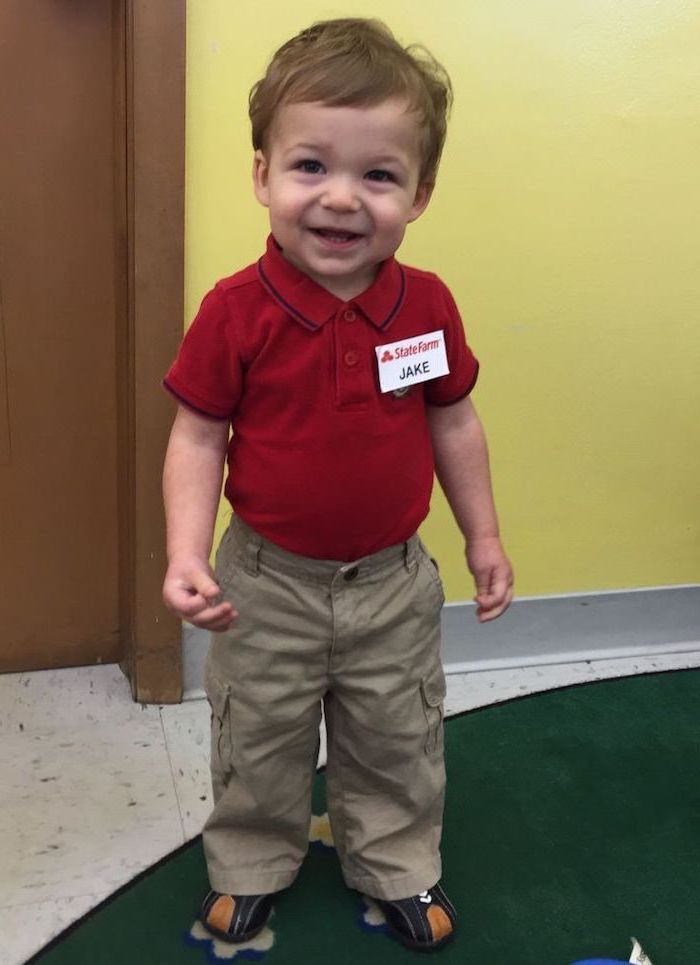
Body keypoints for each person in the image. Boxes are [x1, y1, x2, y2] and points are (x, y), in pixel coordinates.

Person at [162, 17, 513, 952]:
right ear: (262, 175)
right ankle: (249, 864)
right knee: (258, 739)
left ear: (419, 193)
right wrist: (185, 552)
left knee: (398, 736)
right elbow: (198, 435)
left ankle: (396, 862)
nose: (342, 199)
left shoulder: (427, 304)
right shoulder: (235, 312)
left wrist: (483, 536)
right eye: (310, 165)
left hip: (392, 582)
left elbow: (454, 420)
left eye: (379, 175)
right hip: (264, 585)